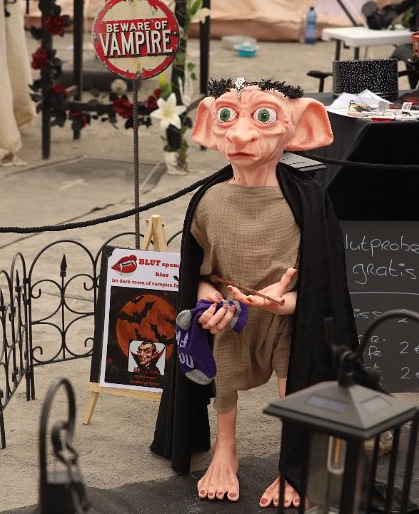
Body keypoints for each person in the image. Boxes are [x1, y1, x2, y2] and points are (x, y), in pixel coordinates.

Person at [150, 78, 357, 508]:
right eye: (227, 116)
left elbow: (324, 289)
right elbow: (195, 273)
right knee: (224, 380)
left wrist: (285, 303)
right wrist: (205, 298)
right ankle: (225, 448)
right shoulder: (209, 202)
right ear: (209, 125)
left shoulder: (308, 202)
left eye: (263, 116)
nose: (241, 134)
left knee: (293, 383)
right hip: (232, 319)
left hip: (287, 321)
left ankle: (294, 462)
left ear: (302, 128)